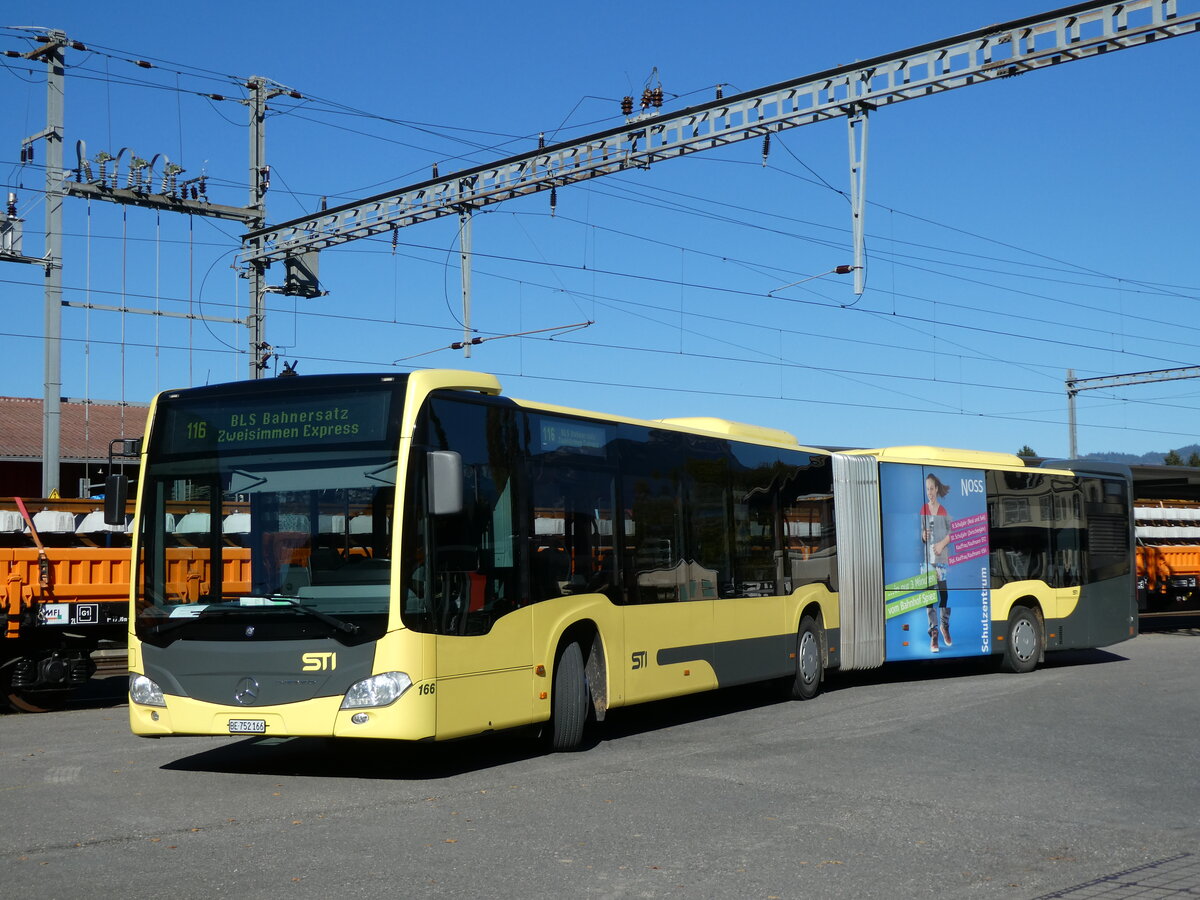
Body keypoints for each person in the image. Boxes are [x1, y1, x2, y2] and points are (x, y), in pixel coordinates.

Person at [921, 474, 953, 652]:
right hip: (927, 561)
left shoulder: (943, 511)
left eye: (932, 489)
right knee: (929, 595)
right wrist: (923, 536)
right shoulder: (923, 510)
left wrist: (941, 544)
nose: (929, 492)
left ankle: (944, 625)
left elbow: (952, 533)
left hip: (940, 559)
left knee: (944, 595)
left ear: (937, 489)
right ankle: (933, 632)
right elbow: (921, 533)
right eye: (927, 489)